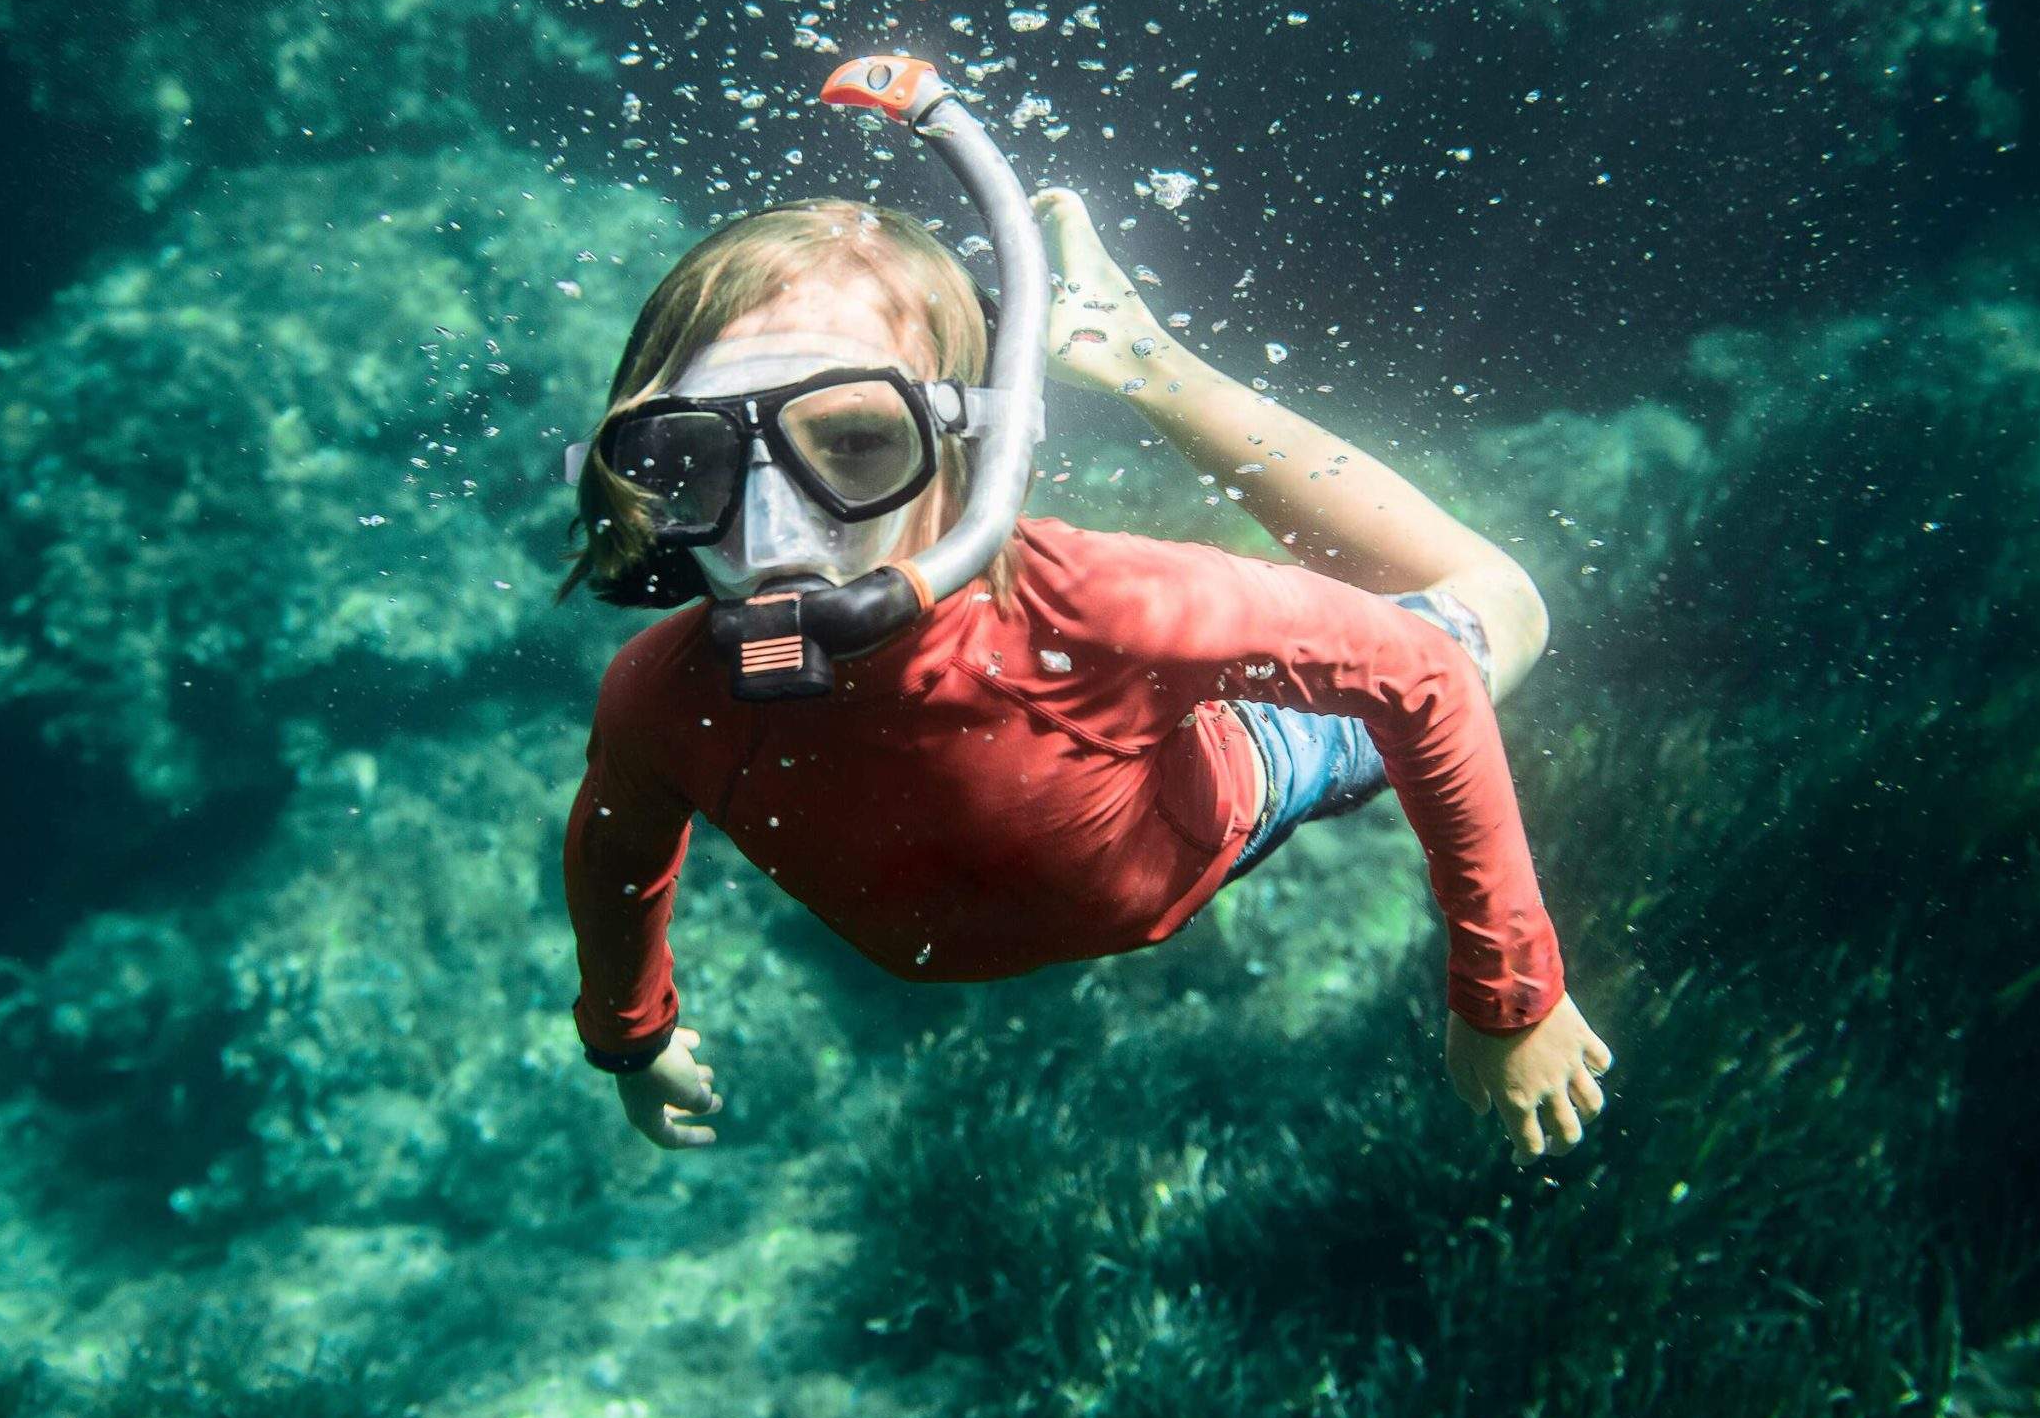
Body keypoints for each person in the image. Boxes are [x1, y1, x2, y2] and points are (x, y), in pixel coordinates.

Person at [559, 188, 1612, 1167]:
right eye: (689, 462)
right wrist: (629, 1038)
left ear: (971, 442)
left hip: (1244, 780)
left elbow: (1423, 673)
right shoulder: (660, 694)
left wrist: (1506, 994)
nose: (775, 527)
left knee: (1499, 601)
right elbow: (617, 857)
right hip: (1104, 863)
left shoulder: (1099, 609)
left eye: (854, 441)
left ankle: (1141, 360)